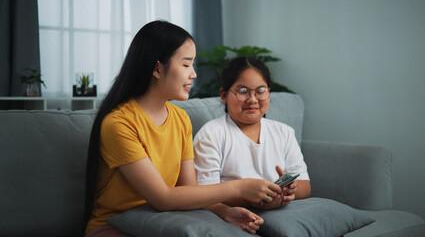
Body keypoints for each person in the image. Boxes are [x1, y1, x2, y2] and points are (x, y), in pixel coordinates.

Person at [83, 21, 282, 236]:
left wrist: (225, 212)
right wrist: (240, 187)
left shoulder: (180, 119)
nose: (194, 74)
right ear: (158, 68)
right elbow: (162, 198)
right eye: (186, 64)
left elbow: (188, 191)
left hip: (161, 221)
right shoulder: (119, 123)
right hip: (114, 225)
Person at [194, 57, 311, 212]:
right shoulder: (211, 134)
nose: (253, 100)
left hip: (281, 210)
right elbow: (204, 192)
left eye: (260, 91)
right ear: (223, 95)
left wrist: (289, 191)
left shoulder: (284, 132)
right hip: (235, 213)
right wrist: (248, 199)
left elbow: (305, 185)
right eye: (243, 91)